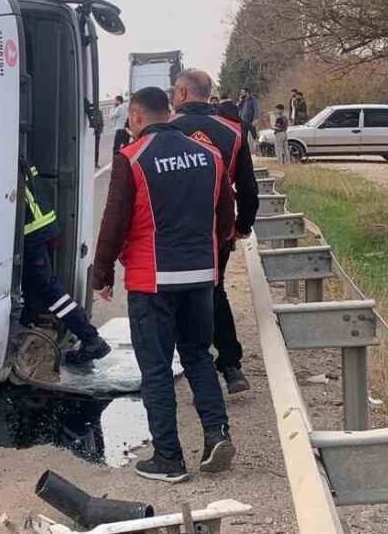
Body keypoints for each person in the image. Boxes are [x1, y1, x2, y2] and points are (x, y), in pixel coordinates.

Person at [92, 87, 236, 483]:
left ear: (136, 117)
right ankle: (216, 433)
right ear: (169, 114)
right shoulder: (209, 155)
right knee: (198, 355)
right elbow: (226, 216)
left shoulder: (132, 158)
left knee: (155, 369)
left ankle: (169, 459)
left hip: (152, 279)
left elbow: (114, 222)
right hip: (200, 276)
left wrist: (101, 274)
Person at [170, 70, 259, 394]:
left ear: (181, 93)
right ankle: (231, 365)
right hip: (216, 229)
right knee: (213, 291)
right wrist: (241, 227)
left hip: (170, 230)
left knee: (175, 297)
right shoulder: (233, 131)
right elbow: (248, 189)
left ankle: (195, 368)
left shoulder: (164, 128)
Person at [21, 162, 111, 365]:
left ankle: (90, 338)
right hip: (40, 226)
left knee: (48, 288)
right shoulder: (16, 152)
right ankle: (25, 328)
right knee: (31, 285)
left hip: (33, 231)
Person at [237, 89, 259, 154]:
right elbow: (237, 108)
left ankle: (258, 149)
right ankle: (245, 151)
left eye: (243, 92)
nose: (241, 93)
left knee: (254, 135)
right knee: (244, 137)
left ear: (247, 93)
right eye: (241, 92)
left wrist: (255, 119)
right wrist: (240, 101)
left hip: (250, 120)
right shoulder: (242, 100)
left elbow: (256, 109)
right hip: (243, 121)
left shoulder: (253, 100)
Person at [89, 101, 105, 167]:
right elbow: (102, 123)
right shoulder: (99, 112)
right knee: (96, 148)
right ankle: (95, 163)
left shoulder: (91, 112)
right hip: (96, 133)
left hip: (94, 133)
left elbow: (101, 123)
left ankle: (94, 163)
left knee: (95, 148)